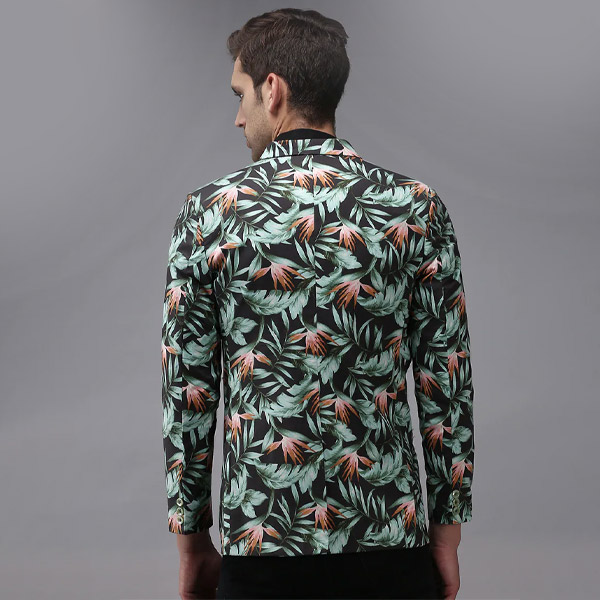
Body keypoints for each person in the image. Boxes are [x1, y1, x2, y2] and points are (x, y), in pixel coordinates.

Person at [160, 7, 474, 600]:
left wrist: (192, 542)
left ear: (272, 90)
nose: (238, 116)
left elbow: (188, 391)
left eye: (241, 95)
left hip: (262, 545)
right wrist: (446, 535)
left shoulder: (209, 215)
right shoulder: (415, 207)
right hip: (390, 543)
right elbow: (446, 385)